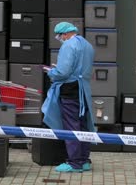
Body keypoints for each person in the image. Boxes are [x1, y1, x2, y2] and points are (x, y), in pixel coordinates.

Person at [41, 22, 95, 173]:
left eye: (59, 36)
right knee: (83, 125)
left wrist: (51, 72)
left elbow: (63, 72)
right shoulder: (87, 45)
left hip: (70, 90)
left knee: (71, 127)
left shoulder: (68, 45)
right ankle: (84, 160)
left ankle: (74, 163)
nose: (60, 39)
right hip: (83, 90)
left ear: (64, 34)